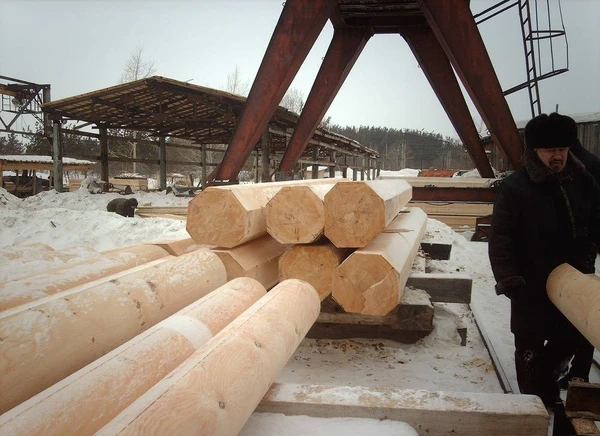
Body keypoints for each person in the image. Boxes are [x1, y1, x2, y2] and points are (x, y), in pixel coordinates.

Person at [488, 112, 600, 407]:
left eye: (562, 150)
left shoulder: (582, 181)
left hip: (572, 278)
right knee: (529, 345)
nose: (557, 156)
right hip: (530, 279)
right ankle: (532, 403)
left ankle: (548, 385)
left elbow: (599, 221)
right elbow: (500, 240)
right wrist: (511, 280)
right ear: (534, 151)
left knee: (570, 338)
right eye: (550, 150)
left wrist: (590, 250)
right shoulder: (515, 187)